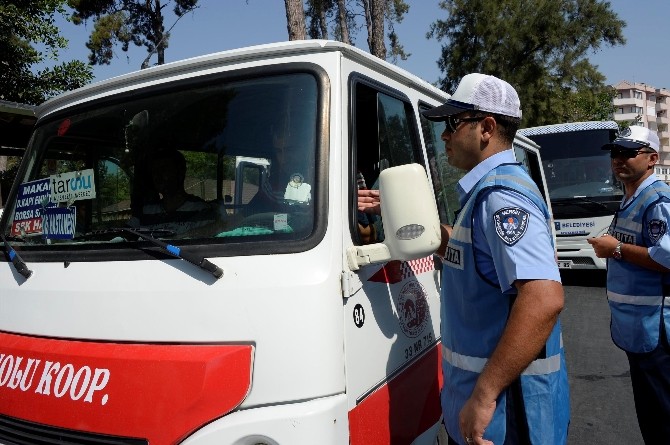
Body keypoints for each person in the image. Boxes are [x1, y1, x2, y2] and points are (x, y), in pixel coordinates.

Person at [422, 73, 569, 445]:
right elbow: (472, 256)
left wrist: (484, 396)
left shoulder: (501, 198)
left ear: (486, 127)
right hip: (489, 408)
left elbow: (543, 298)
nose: (444, 136)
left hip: (504, 414)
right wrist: (405, 216)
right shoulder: (489, 190)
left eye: (453, 124)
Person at [587, 126, 670, 444]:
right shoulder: (632, 197)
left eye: (628, 153)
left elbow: (666, 257)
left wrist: (616, 249)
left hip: (655, 332)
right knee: (651, 416)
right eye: (615, 153)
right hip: (637, 329)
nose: (618, 159)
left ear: (652, 159)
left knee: (662, 417)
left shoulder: (656, 199)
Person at [130, 148, 218, 236]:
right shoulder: (146, 211)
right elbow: (124, 236)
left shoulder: (201, 210)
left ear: (180, 173)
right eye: (154, 171)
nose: (157, 175)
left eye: (164, 169)